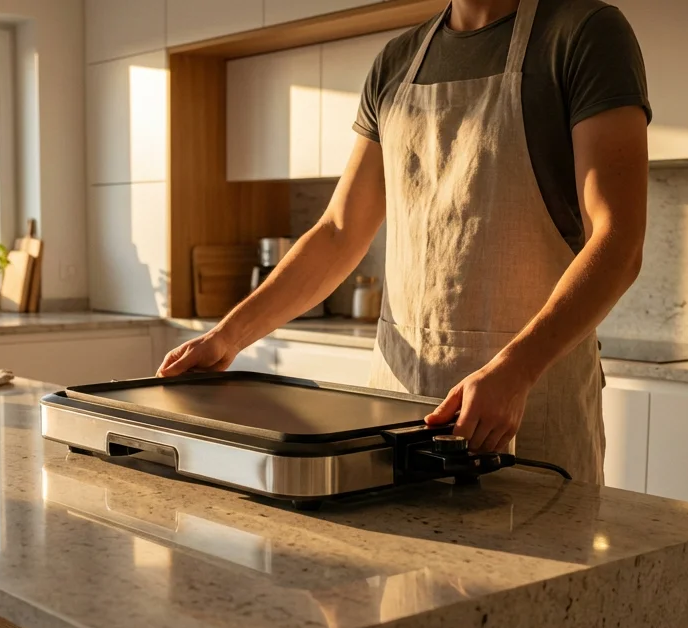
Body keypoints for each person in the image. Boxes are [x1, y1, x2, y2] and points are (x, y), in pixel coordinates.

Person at [157, 0, 649, 483]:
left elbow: (617, 241)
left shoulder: (584, 34)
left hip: (532, 400)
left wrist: (515, 370)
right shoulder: (397, 62)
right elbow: (338, 231)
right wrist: (227, 337)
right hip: (400, 408)